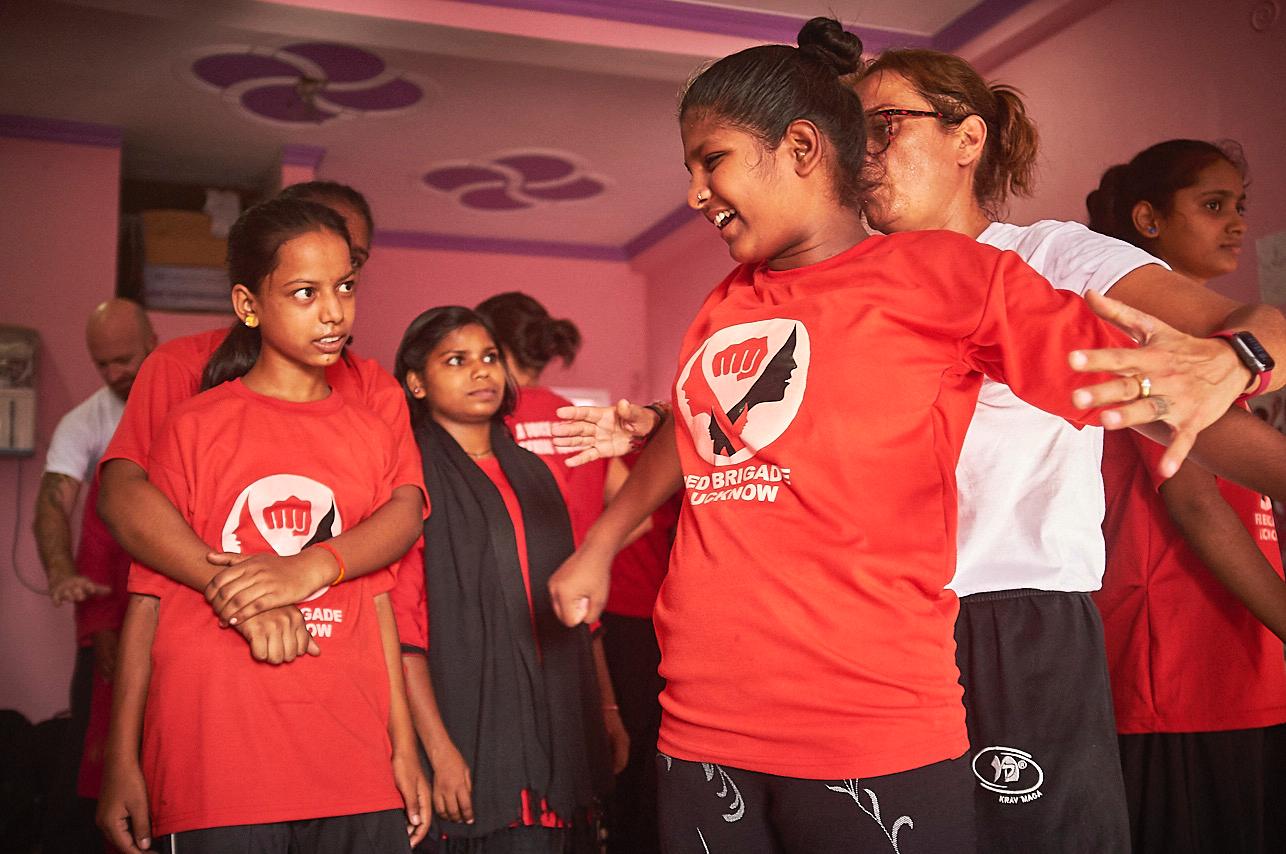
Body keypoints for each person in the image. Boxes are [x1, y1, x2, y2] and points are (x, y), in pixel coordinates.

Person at [545, 18, 1252, 853]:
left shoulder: (956, 273)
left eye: (712, 161)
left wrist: (1229, 365)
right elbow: (705, 428)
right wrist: (601, 543)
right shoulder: (729, 299)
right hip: (702, 721)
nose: (697, 192)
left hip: (873, 716)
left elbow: (1131, 385)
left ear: (801, 147)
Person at [843, 52, 1286, 853]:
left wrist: (1236, 359)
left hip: (1017, 615)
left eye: (886, 124)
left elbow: (1255, 328)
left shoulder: (1049, 257)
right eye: (851, 132)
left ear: (967, 138)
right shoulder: (849, 281)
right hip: (878, 622)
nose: (863, 151)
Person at [95, 184, 428, 850]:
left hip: (352, 759)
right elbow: (147, 596)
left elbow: (379, 595)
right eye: (305, 292)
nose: (333, 311)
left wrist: (404, 745)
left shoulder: (369, 425)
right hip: (218, 760)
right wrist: (120, 758)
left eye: (347, 284)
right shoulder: (192, 422)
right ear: (248, 304)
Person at [1089, 139, 1286, 854]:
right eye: (1212, 205)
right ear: (1148, 219)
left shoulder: (1228, 351)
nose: (1236, 223)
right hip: (1178, 663)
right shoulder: (1140, 330)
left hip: (1241, 653)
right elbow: (1197, 504)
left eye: (1239, 205)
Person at [389, 306, 624, 853]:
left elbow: (575, 605)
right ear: (416, 383)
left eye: (490, 357)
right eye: (456, 360)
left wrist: (607, 709)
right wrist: (439, 750)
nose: (481, 371)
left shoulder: (535, 472)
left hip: (559, 722)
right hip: (468, 732)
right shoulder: (408, 478)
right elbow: (403, 631)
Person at [34, 297, 154, 853]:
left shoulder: (193, 405)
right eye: (102, 364)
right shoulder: (85, 423)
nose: (114, 374)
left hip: (180, 614)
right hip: (111, 616)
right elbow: (54, 506)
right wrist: (64, 573)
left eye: (124, 359)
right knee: (93, 761)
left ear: (151, 343)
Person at [475, 291, 610, 547]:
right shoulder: (578, 416)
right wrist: (593, 554)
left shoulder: (489, 418)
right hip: (578, 571)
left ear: (500, 350)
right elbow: (641, 518)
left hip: (514, 568)